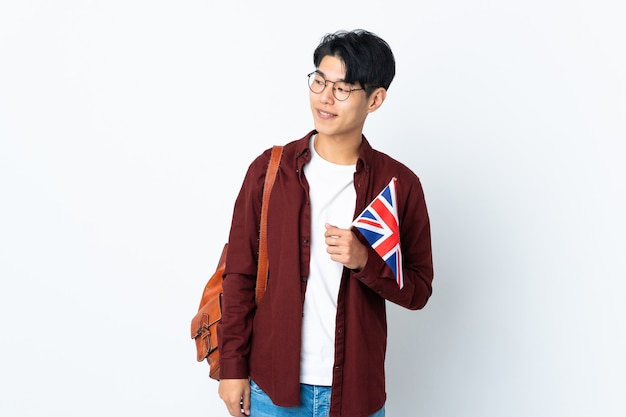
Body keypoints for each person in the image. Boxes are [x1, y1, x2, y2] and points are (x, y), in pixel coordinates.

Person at [217, 29, 434, 417]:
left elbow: (418, 291)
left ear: (376, 99)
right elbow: (239, 275)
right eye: (319, 80)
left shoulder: (398, 185)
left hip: (355, 394)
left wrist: (365, 263)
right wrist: (232, 369)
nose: (325, 97)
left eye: (343, 87)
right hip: (271, 389)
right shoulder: (270, 171)